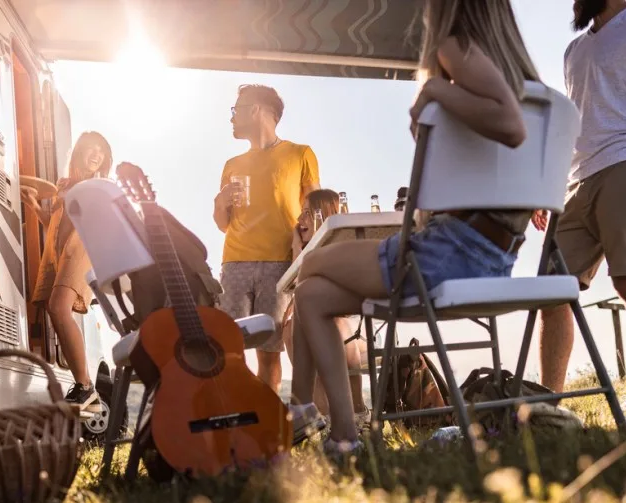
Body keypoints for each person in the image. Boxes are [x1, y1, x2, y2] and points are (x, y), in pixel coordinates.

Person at [287, 0, 539, 456]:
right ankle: (344, 438)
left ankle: (301, 409)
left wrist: (435, 93)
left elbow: (510, 124)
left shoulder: (454, 48)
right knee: (312, 295)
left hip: (445, 256)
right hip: (494, 260)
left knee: (311, 264)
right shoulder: (532, 85)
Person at [534, 0, 626, 421]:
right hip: (575, 184)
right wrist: (546, 187)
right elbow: (571, 125)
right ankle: (549, 403)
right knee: (551, 291)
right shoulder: (574, 51)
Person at [213, 84, 320, 394]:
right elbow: (224, 224)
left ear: (256, 110)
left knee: (269, 353)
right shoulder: (232, 165)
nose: (232, 118)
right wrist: (220, 203)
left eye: (236, 110)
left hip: (280, 265)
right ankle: (237, 418)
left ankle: (266, 424)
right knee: (231, 351)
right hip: (235, 264)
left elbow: (314, 211)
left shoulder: (300, 154)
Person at [24, 131, 112, 409]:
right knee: (53, 309)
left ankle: (85, 386)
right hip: (58, 251)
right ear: (78, 152)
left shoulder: (97, 186)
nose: (96, 154)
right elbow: (54, 222)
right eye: (91, 148)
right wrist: (34, 205)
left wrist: (68, 192)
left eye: (102, 151)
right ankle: (87, 392)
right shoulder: (68, 187)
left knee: (59, 307)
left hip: (81, 248)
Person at [282, 189, 370, 423]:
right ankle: (325, 418)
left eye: (307, 213)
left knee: (333, 325)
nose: (300, 220)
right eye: (301, 213)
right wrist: (296, 248)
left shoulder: (340, 246)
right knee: (294, 329)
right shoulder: (307, 251)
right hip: (324, 331)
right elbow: (296, 289)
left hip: (359, 330)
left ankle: (357, 412)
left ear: (324, 214)